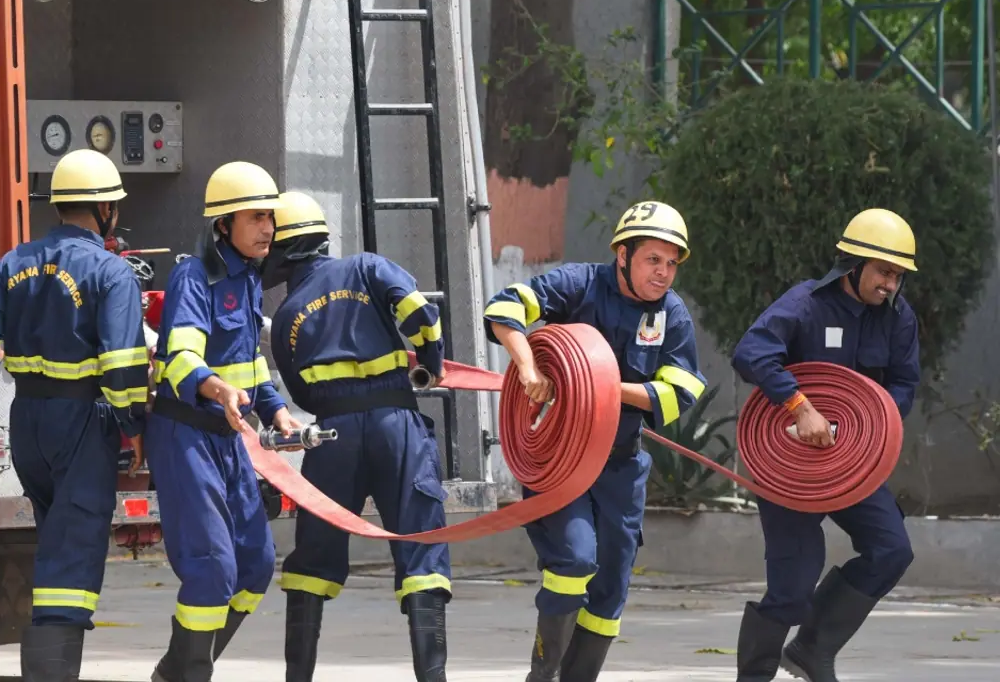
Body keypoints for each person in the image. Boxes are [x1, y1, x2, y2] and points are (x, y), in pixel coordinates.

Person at [483, 201, 707, 682]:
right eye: (653, 259)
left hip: (622, 469)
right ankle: (541, 677)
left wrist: (595, 382)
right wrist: (527, 366)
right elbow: (504, 308)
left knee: (609, 589)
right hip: (562, 461)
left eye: (671, 263)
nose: (664, 273)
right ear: (623, 256)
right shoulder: (579, 284)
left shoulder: (672, 314)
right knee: (574, 560)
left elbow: (681, 391)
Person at [0, 148, 150, 680]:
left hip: (28, 422)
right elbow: (124, 366)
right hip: (82, 423)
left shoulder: (13, 262)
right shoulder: (110, 272)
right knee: (73, 552)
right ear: (106, 210)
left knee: (54, 537)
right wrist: (134, 428)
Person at [261, 191, 452, 682]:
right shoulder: (367, 267)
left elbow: (302, 391)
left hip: (331, 437)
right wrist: (429, 364)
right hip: (396, 428)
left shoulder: (285, 320)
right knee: (420, 549)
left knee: (314, 557)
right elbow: (419, 313)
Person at [730, 208, 920, 682]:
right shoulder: (805, 305)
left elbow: (903, 384)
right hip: (787, 465)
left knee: (891, 548)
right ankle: (754, 676)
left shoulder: (898, 319)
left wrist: (871, 427)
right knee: (792, 588)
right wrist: (800, 406)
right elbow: (751, 353)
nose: (890, 285)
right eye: (884, 272)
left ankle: (812, 651)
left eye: (898, 276)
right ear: (853, 265)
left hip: (851, 464)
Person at [145, 161, 302, 682]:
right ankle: (188, 675)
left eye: (270, 219)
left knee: (254, 568)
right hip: (186, 435)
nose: (267, 229)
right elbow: (182, 359)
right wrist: (220, 390)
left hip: (228, 441)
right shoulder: (195, 276)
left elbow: (249, 362)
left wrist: (276, 410)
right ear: (223, 225)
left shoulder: (250, 278)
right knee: (212, 571)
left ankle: (176, 668)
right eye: (255, 218)